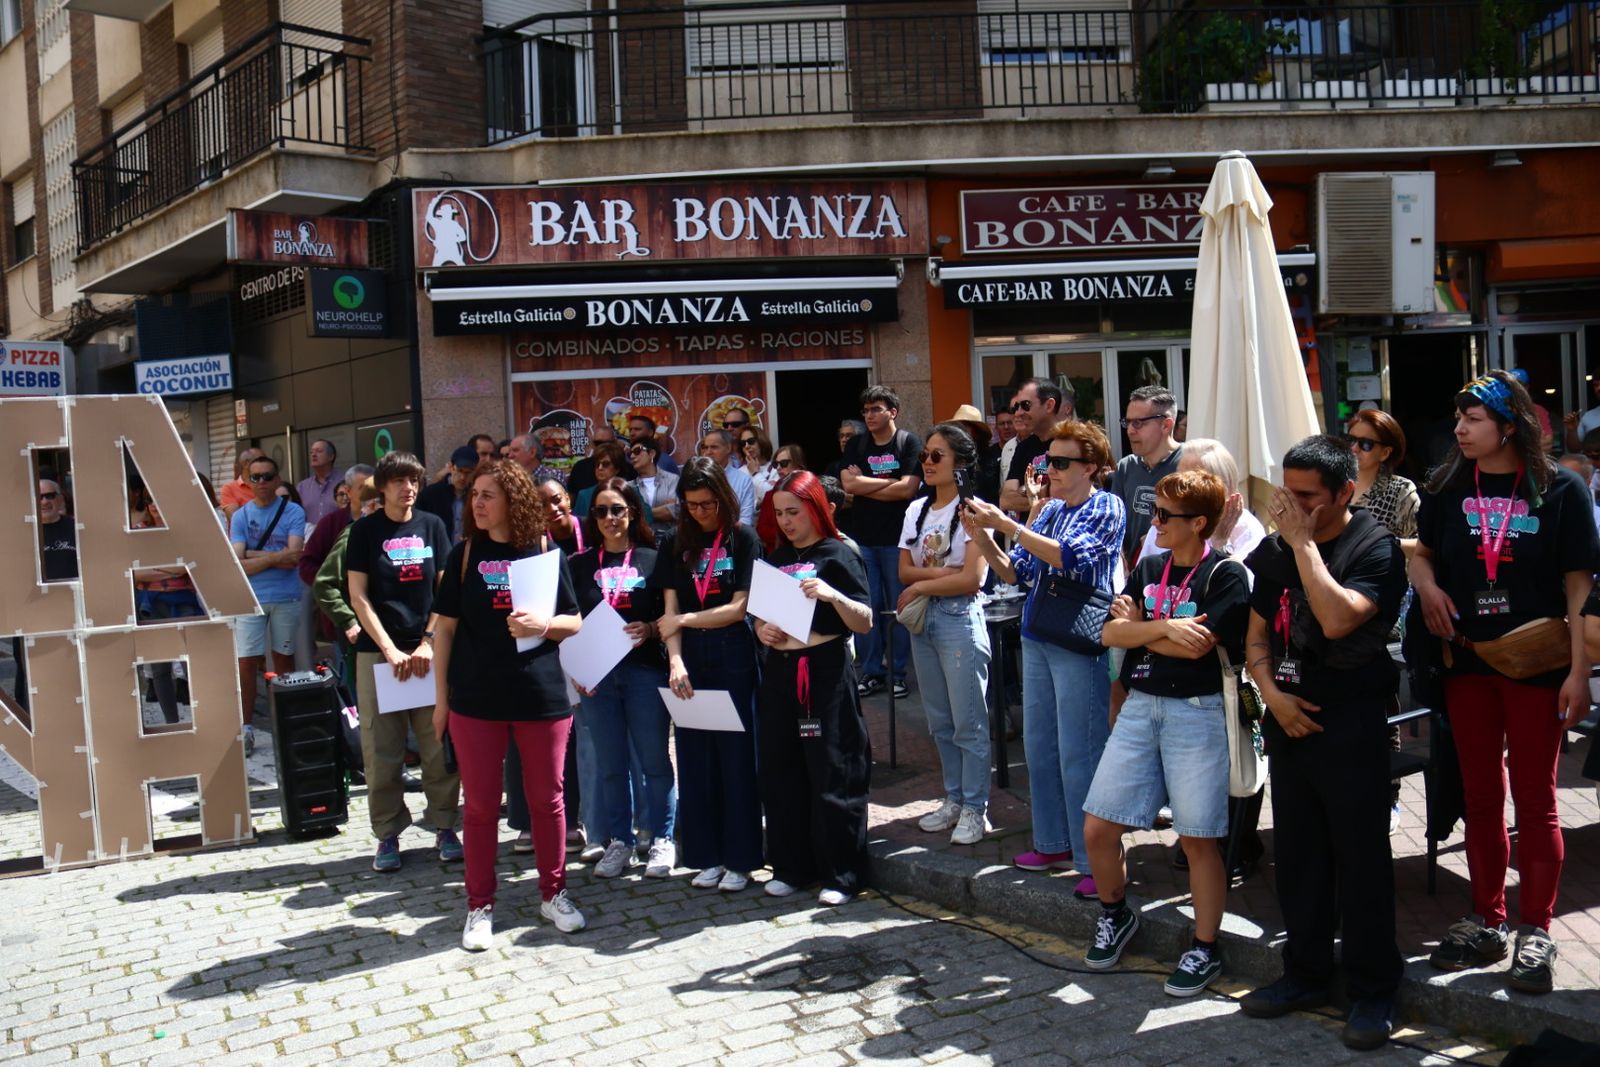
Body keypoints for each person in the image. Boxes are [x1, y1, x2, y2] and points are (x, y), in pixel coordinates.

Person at [1411, 371, 1597, 995]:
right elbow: (1421, 552)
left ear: (1509, 426)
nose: (1459, 430)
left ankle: (1535, 929)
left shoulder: (1562, 488)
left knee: (1537, 800)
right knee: (1481, 796)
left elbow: (1580, 589)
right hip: (1468, 661)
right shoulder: (1446, 485)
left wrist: (1580, 673)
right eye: (1458, 418)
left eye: (1473, 420)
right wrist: (1427, 586)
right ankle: (1487, 920)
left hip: (1538, 665)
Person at [1238, 434, 1406, 1051]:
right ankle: (1305, 975)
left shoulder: (1375, 547)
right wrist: (1272, 698)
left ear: (1345, 492)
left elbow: (1337, 620)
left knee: (1361, 861)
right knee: (1300, 857)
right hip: (1288, 718)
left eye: (1308, 496)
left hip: (1352, 721)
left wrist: (1305, 544)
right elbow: (1256, 637)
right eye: (1288, 492)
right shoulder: (1273, 550)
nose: (1293, 506)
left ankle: (1373, 989)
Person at [1085, 469, 1249, 996]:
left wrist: (1140, 631)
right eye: (1154, 511)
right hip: (1140, 706)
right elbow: (1109, 633)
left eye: (1163, 515)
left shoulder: (1225, 575)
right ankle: (1116, 915)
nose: (1153, 522)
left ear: (1198, 523)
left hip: (1196, 713)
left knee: (1198, 838)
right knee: (1098, 828)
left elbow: (1198, 647)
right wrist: (1163, 629)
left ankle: (1205, 947)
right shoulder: (1149, 566)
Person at [965, 419, 1124, 898]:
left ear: (1090, 467)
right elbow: (1016, 572)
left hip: (1077, 640)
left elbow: (1070, 558)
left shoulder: (1107, 506)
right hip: (1038, 634)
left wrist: (1009, 524)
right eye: (1046, 461)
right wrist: (983, 536)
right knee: (1039, 747)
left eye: (1059, 462)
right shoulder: (1050, 510)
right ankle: (1053, 843)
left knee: (1081, 751)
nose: (1049, 469)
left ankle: (1094, 860)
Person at [433, 459, 586, 949]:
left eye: (488, 495)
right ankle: (479, 906)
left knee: (548, 800)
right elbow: (444, 631)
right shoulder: (463, 554)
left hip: (540, 695)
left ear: (512, 501)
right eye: (474, 495)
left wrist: (543, 625)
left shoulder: (542, 550)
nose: (477, 503)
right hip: (475, 699)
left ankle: (554, 893)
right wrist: (440, 701)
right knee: (480, 807)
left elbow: (574, 621)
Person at [754, 471, 874, 905]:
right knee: (782, 770)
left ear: (815, 509)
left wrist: (831, 596)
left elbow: (865, 620)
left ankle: (841, 874)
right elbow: (760, 617)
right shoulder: (774, 558)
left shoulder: (839, 553)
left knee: (831, 768)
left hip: (824, 670)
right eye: (779, 513)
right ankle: (791, 866)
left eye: (794, 512)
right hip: (781, 672)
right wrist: (761, 630)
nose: (786, 521)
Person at [344, 451, 460, 872]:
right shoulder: (364, 531)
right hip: (380, 655)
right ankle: (388, 834)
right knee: (382, 751)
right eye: (398, 481)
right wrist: (390, 649)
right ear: (382, 487)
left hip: (428, 652)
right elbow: (358, 596)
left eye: (413, 480)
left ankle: (445, 826)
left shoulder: (432, 525)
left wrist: (428, 641)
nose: (407, 488)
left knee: (437, 746)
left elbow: (446, 592)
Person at [655, 458, 765, 892]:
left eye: (707, 504)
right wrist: (675, 660)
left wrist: (684, 621)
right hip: (690, 657)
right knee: (696, 758)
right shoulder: (675, 542)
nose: (700, 512)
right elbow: (669, 610)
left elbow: (739, 608)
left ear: (723, 498)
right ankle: (707, 855)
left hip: (732, 651)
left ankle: (741, 858)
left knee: (736, 760)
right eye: (691, 505)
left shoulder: (743, 538)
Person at [569, 479, 678, 880]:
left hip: (644, 672)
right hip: (598, 678)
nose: (610, 518)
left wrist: (649, 629)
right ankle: (620, 841)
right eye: (601, 511)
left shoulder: (653, 558)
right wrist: (577, 669)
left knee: (654, 761)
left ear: (632, 512)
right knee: (610, 765)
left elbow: (669, 616)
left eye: (617, 509)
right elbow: (569, 622)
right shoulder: (579, 564)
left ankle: (662, 838)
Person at [898, 423, 995, 845]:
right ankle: (954, 798)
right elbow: (903, 571)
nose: (928, 462)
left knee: (968, 722)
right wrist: (942, 576)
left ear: (961, 463)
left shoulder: (977, 511)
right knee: (939, 721)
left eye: (937, 455)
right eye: (925, 455)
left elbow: (973, 579)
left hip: (958, 618)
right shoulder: (916, 510)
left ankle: (976, 808)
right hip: (925, 620)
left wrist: (923, 584)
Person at [839, 386, 924, 700]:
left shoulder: (908, 442)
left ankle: (898, 673)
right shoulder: (857, 444)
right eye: (866, 410)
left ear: (893, 412)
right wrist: (890, 483)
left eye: (876, 409)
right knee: (868, 607)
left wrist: (866, 484)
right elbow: (848, 484)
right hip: (864, 540)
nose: (869, 415)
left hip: (898, 541)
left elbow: (908, 490)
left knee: (898, 607)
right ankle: (872, 672)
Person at [229, 455, 305, 754]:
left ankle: (287, 724)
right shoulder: (240, 516)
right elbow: (238, 564)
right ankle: (246, 727)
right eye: (255, 477)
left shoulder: (293, 511)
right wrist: (277, 556)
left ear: (277, 479)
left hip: (286, 596)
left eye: (267, 476)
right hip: (250, 598)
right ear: (247, 481)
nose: (261, 482)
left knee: (284, 659)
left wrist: (253, 555)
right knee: (246, 662)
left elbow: (295, 557)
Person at [133, 489, 207, 725]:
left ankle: (203, 721)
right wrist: (171, 570)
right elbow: (134, 573)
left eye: (159, 499)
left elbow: (187, 567)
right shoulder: (137, 532)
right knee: (159, 668)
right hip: (151, 605)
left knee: (191, 664)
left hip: (183, 601)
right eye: (149, 500)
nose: (154, 505)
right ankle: (172, 724)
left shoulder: (183, 531)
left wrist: (155, 570)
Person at [1136, 438, 1266, 565]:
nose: (1177, 486)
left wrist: (1220, 542)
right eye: (1177, 477)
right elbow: (1145, 574)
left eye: (1189, 483)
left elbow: (1235, 577)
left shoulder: (1247, 530)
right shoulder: (1165, 521)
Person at [1110, 385, 1184, 564]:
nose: (1130, 430)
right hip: (1133, 573)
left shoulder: (1189, 464)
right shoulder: (1126, 467)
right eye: (1127, 422)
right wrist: (1120, 559)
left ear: (1166, 425)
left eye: (1138, 423)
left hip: (1177, 571)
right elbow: (1114, 523)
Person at [1348, 410, 1420, 552]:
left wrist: (1382, 544)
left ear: (1385, 453)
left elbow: (1423, 546)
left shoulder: (1400, 490)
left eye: (1366, 444)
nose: (1354, 448)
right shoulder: (1332, 484)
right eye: (1350, 440)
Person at [999, 378, 1069, 514]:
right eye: (1016, 407)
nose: (1018, 413)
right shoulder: (1023, 447)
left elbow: (1071, 494)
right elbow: (1005, 500)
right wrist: (1042, 496)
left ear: (1049, 405)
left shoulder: (1072, 443)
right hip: (1030, 526)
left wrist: (1025, 491)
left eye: (1026, 405)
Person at [417, 446, 479, 542]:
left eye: (468, 472)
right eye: (459, 470)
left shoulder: (476, 495)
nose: (462, 477)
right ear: (451, 467)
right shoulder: (431, 494)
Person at [697, 429, 758, 526]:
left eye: (714, 447)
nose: (708, 452)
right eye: (705, 447)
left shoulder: (743, 480)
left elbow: (746, 520)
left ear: (728, 448)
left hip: (734, 533)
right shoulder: (696, 477)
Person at [627, 437, 680, 536]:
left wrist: (641, 513)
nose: (632, 456)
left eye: (637, 451)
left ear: (651, 453)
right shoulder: (628, 487)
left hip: (669, 538)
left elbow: (676, 510)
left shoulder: (672, 479)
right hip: (641, 539)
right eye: (630, 454)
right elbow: (628, 514)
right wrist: (663, 509)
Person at [297, 439, 345, 529]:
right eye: (311, 452)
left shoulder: (344, 483)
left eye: (319, 451)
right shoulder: (302, 487)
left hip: (338, 535)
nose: (313, 455)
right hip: (310, 536)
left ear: (331, 456)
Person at [573, 441, 630, 518]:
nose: (600, 468)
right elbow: (579, 522)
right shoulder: (584, 495)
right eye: (597, 464)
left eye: (605, 464)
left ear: (617, 469)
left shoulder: (628, 492)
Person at [568, 424, 620, 497]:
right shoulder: (579, 468)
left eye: (607, 443)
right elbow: (571, 499)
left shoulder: (627, 468)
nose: (603, 447)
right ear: (592, 444)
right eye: (598, 443)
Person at [219, 447, 263, 518]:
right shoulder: (230, 488)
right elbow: (235, 518)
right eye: (261, 461)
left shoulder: (268, 485)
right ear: (246, 463)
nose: (266, 464)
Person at [739, 427, 777, 499]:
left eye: (751, 441)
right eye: (743, 443)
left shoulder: (777, 469)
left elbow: (772, 497)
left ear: (761, 441)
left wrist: (755, 474)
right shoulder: (739, 472)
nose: (746, 446)